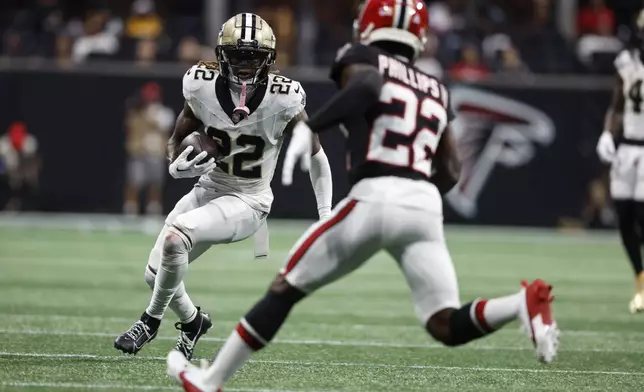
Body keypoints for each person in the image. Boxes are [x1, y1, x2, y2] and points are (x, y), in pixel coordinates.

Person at [166, 1, 559, 390]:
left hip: (376, 192)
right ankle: (523, 303)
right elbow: (452, 170)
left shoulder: (364, 58)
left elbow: (369, 84)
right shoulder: (437, 88)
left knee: (285, 288)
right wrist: (413, 194)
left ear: (369, 26)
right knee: (445, 323)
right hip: (423, 204)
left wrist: (313, 127)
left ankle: (211, 380)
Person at [113, 13, 333, 360]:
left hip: (249, 200)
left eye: (254, 57)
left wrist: (326, 216)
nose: (245, 66)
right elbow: (177, 137)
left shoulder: (285, 97)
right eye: (237, 55)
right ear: (220, 54)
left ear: (269, 59)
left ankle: (149, 321)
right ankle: (192, 321)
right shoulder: (200, 84)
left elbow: (317, 156)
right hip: (208, 188)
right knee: (155, 273)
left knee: (176, 238)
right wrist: (175, 166)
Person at [596, 9, 644, 313]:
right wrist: (606, 133)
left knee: (642, 213)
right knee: (624, 216)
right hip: (628, 147)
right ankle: (640, 281)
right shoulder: (627, 62)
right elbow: (617, 103)